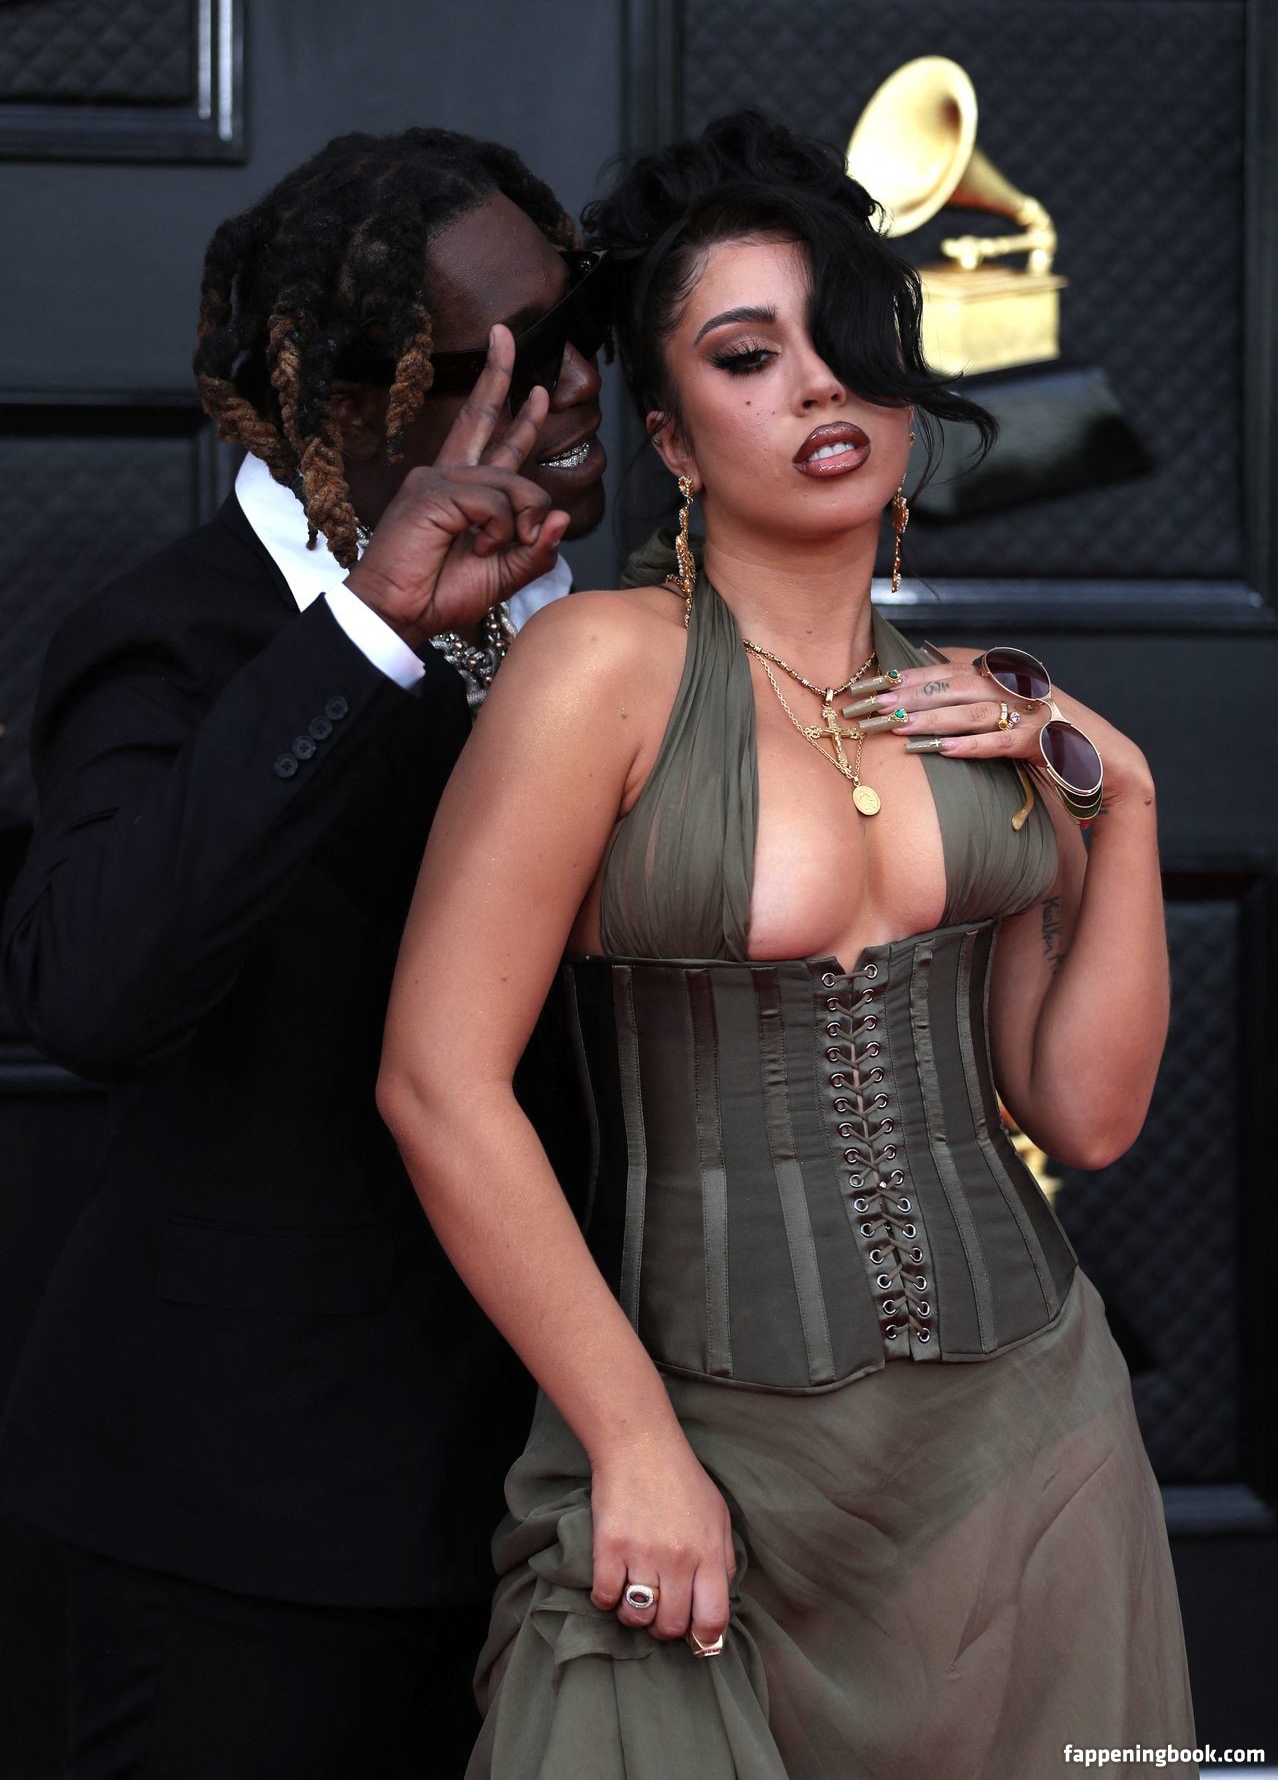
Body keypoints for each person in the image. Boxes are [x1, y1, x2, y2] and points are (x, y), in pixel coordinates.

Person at [376, 111, 1196, 1779]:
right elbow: (436, 1083)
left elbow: (1086, 1115)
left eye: (849, 343)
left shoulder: (979, 710)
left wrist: (1123, 802)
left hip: (1030, 1444)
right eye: (749, 357)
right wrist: (630, 1442)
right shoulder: (600, 671)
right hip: (704, 1444)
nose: (821, 387)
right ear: (669, 441)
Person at [0, 127, 609, 1779]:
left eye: (581, 331)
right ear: (353, 405)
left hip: (559, 1500)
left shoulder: (600, 627)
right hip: (252, 1519)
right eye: (513, 359)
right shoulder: (171, 636)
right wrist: (366, 635)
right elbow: (92, 991)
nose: (577, 384)